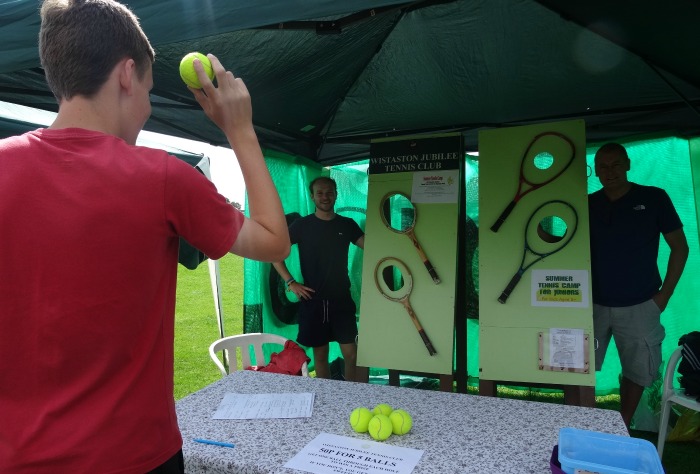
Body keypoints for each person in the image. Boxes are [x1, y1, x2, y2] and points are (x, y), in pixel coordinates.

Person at [0, 1, 289, 473]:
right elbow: (274, 241)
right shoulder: (161, 178)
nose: (147, 110)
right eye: (150, 92)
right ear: (127, 75)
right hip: (134, 458)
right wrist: (240, 130)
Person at [589, 142, 688, 428]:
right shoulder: (587, 203)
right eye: (603, 167)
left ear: (628, 164)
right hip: (591, 306)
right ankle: (580, 422)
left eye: (616, 164)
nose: (610, 172)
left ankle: (622, 425)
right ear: (595, 171)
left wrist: (664, 296)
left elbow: (680, 248)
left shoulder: (654, 198)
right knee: (577, 365)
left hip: (640, 306)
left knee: (637, 371)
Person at [273, 177, 364, 381]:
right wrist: (290, 282)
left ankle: (351, 396)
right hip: (313, 302)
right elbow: (275, 254)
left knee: (352, 354)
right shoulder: (302, 226)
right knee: (320, 356)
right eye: (320, 193)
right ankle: (327, 397)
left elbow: (372, 246)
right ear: (312, 196)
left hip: (341, 301)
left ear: (336, 194)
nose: (325, 197)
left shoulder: (347, 224)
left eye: (330, 192)